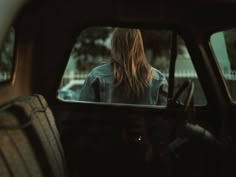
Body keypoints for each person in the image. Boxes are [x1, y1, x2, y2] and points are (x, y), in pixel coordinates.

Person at [79, 28, 168, 105]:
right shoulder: (158, 79)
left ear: (114, 45)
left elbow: (81, 115)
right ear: (139, 45)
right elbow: (165, 120)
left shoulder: (96, 76)